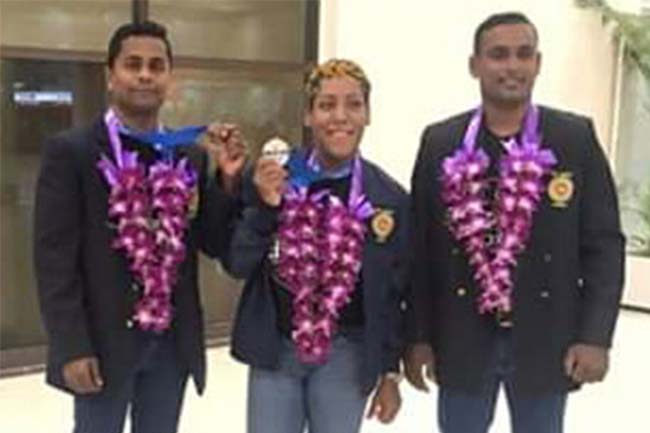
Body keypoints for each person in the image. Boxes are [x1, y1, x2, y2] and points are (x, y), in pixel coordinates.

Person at [404, 12, 625, 433]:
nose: (512, 66)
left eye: (523, 55)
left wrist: (595, 336)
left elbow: (603, 245)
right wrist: (418, 337)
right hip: (462, 335)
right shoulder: (441, 142)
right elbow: (421, 252)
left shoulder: (573, 139)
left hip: (545, 336)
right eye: (498, 55)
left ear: (537, 63)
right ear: (475, 65)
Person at [33, 20, 246, 433]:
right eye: (133, 64)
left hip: (171, 344)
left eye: (156, 65)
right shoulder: (72, 153)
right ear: (110, 76)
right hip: (102, 343)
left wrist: (227, 181)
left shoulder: (188, 156)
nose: (145, 75)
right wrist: (70, 346)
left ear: (169, 77)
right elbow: (54, 261)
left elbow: (212, 242)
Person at [227, 59, 408, 433]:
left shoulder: (388, 198)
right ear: (308, 116)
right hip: (276, 347)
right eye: (326, 105)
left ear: (368, 114)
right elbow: (238, 263)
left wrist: (391, 373)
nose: (340, 117)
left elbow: (393, 296)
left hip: (347, 351)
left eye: (353, 104)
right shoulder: (273, 176)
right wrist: (265, 206)